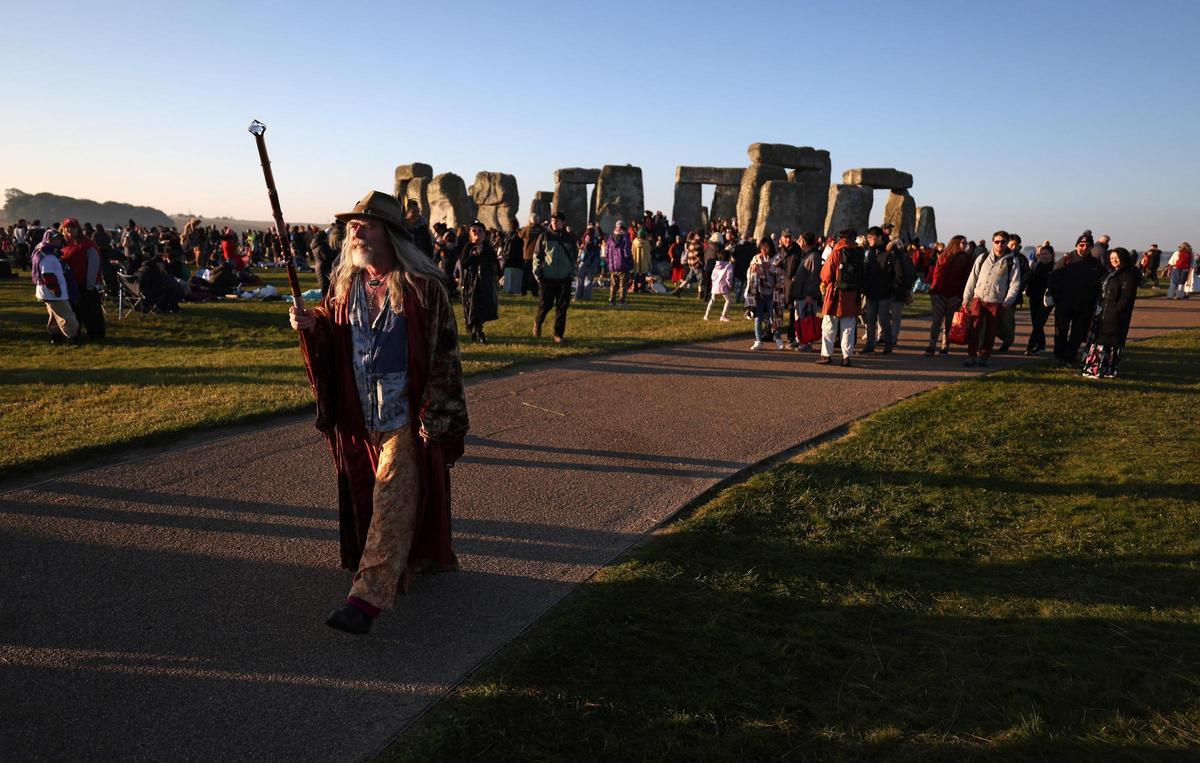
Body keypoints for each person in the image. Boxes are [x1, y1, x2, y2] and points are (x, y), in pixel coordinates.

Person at [288, 190, 468, 636]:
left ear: (389, 235)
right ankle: (401, 567)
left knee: (391, 499)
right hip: (359, 416)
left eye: (365, 224)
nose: (354, 231)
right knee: (370, 496)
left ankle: (365, 602)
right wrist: (312, 326)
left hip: (404, 418)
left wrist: (434, 416)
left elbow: (443, 357)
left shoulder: (423, 290)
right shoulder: (345, 289)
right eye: (352, 225)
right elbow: (332, 334)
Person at [960, 230, 1022, 367]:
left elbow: (1015, 283)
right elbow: (972, 278)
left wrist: (1009, 299)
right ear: (992, 242)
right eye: (997, 242)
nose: (1000, 244)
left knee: (991, 330)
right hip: (979, 297)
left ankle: (984, 355)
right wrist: (966, 296)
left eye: (1003, 242)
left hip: (996, 300)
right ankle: (971, 355)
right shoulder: (982, 258)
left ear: (1006, 243)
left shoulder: (1012, 261)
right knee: (974, 327)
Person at [1049, 232, 1105, 366]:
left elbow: (1100, 284)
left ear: (1092, 247)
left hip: (1084, 307)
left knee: (1078, 335)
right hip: (1064, 305)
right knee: (1061, 331)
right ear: (1077, 245)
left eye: (1087, 245)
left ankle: (1069, 357)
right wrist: (1058, 298)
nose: (1084, 248)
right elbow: (1053, 280)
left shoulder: (1096, 264)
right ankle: (1058, 356)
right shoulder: (1066, 260)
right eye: (1081, 245)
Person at [1082, 248, 1139, 378]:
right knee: (1098, 340)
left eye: (1117, 258)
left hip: (1115, 315)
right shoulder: (1110, 273)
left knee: (1108, 342)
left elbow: (1126, 297)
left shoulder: (1128, 275)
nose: (1114, 260)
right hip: (1102, 311)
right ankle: (1094, 368)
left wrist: (1116, 310)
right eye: (1112, 258)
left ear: (1124, 258)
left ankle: (1104, 370)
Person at [816, 230, 861, 367]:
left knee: (829, 325)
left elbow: (826, 274)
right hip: (852, 294)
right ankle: (846, 357)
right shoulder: (858, 253)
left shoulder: (836, 252)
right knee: (848, 327)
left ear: (841, 238)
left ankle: (826, 355)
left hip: (835, 294)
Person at [924, 235, 973, 355]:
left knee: (949, 322)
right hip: (940, 294)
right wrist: (934, 289)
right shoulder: (944, 256)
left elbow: (967, 279)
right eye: (963, 243)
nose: (966, 245)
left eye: (966, 243)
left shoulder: (966, 259)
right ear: (956, 243)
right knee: (937, 321)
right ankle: (932, 344)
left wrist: (962, 296)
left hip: (954, 295)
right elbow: (936, 274)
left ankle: (945, 346)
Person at [532, 211, 576, 343]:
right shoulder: (544, 236)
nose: (554, 223)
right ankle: (538, 322)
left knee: (562, 308)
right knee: (545, 305)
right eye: (552, 220)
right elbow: (537, 256)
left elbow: (574, 257)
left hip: (564, 278)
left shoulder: (570, 238)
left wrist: (572, 273)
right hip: (547, 277)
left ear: (563, 222)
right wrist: (537, 272)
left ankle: (558, 334)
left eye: (557, 220)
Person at [59, 217, 106, 342]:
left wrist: (89, 285)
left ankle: (96, 334)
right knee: (74, 311)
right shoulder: (63, 243)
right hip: (70, 285)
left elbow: (94, 263)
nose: (70, 229)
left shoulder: (87, 244)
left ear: (78, 229)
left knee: (91, 312)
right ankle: (75, 333)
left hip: (85, 285)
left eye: (73, 227)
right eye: (67, 227)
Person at [31, 229, 80, 344]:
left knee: (54, 315)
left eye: (58, 238)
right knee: (68, 316)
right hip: (53, 293)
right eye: (55, 239)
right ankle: (71, 337)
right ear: (49, 239)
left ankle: (55, 336)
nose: (58, 241)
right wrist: (55, 289)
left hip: (49, 292)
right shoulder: (47, 255)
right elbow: (47, 274)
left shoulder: (49, 252)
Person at [459, 221, 500, 344]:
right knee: (473, 306)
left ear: (484, 234)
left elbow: (495, 262)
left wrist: (499, 274)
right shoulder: (468, 247)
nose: (477, 233)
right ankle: (476, 330)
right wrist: (473, 256)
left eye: (480, 231)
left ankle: (478, 330)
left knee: (484, 306)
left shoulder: (487, 247)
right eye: (474, 231)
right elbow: (463, 263)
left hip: (485, 281)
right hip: (472, 281)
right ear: (470, 234)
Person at [861, 226, 898, 354]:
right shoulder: (868, 253)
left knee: (883, 319)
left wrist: (890, 286)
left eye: (872, 237)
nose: (870, 239)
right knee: (870, 320)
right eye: (868, 237)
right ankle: (870, 345)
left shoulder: (889, 253)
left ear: (880, 237)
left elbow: (894, 273)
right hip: (871, 292)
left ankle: (888, 344)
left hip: (884, 292)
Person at [785, 232, 822, 351]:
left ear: (805, 242)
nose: (799, 242)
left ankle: (807, 343)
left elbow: (814, 276)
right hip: (800, 293)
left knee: (807, 319)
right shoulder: (806, 255)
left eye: (800, 240)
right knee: (800, 318)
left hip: (807, 294)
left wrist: (810, 294)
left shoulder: (814, 256)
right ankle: (801, 339)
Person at [746, 238, 784, 350]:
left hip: (773, 293)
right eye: (763, 247)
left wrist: (771, 268)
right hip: (759, 293)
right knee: (758, 317)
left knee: (775, 316)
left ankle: (778, 339)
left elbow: (782, 273)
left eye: (767, 247)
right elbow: (749, 272)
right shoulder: (756, 258)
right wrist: (754, 268)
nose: (765, 250)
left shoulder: (777, 258)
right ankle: (758, 340)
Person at [1023, 243, 1055, 355]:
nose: (1043, 256)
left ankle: (1030, 347)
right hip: (1034, 297)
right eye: (1041, 254)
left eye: (1046, 254)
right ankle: (1041, 345)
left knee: (1038, 323)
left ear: (1051, 255)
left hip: (1047, 300)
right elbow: (1031, 279)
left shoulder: (1055, 268)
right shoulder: (1036, 265)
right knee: (1036, 323)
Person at [605, 221, 632, 307]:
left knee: (613, 284)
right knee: (623, 284)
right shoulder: (625, 237)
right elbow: (627, 252)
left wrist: (609, 262)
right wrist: (630, 261)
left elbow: (606, 253)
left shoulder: (610, 237)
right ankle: (621, 301)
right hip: (623, 264)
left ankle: (612, 301)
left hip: (613, 265)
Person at [704, 249, 733, 321]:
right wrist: (729, 285)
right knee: (729, 300)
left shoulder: (716, 265)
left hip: (715, 285)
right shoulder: (728, 265)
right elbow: (729, 277)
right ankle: (723, 315)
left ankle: (706, 315)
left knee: (712, 300)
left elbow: (712, 276)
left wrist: (714, 283)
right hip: (723, 286)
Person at [575, 223, 601, 300]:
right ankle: (587, 297)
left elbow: (579, 239)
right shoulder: (596, 240)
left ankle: (577, 296)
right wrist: (598, 228)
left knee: (580, 280)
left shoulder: (584, 240)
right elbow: (602, 237)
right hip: (593, 261)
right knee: (589, 281)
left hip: (584, 261)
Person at [310, 228, 336, 296]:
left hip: (319, 267)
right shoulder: (322, 245)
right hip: (324, 267)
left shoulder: (316, 245)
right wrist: (335, 252)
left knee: (324, 286)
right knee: (326, 287)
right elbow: (327, 257)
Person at [631, 227, 652, 293]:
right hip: (644, 262)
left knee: (636, 275)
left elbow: (632, 251)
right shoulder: (646, 243)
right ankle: (642, 289)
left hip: (636, 261)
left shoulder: (634, 242)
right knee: (643, 275)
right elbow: (648, 252)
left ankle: (635, 288)